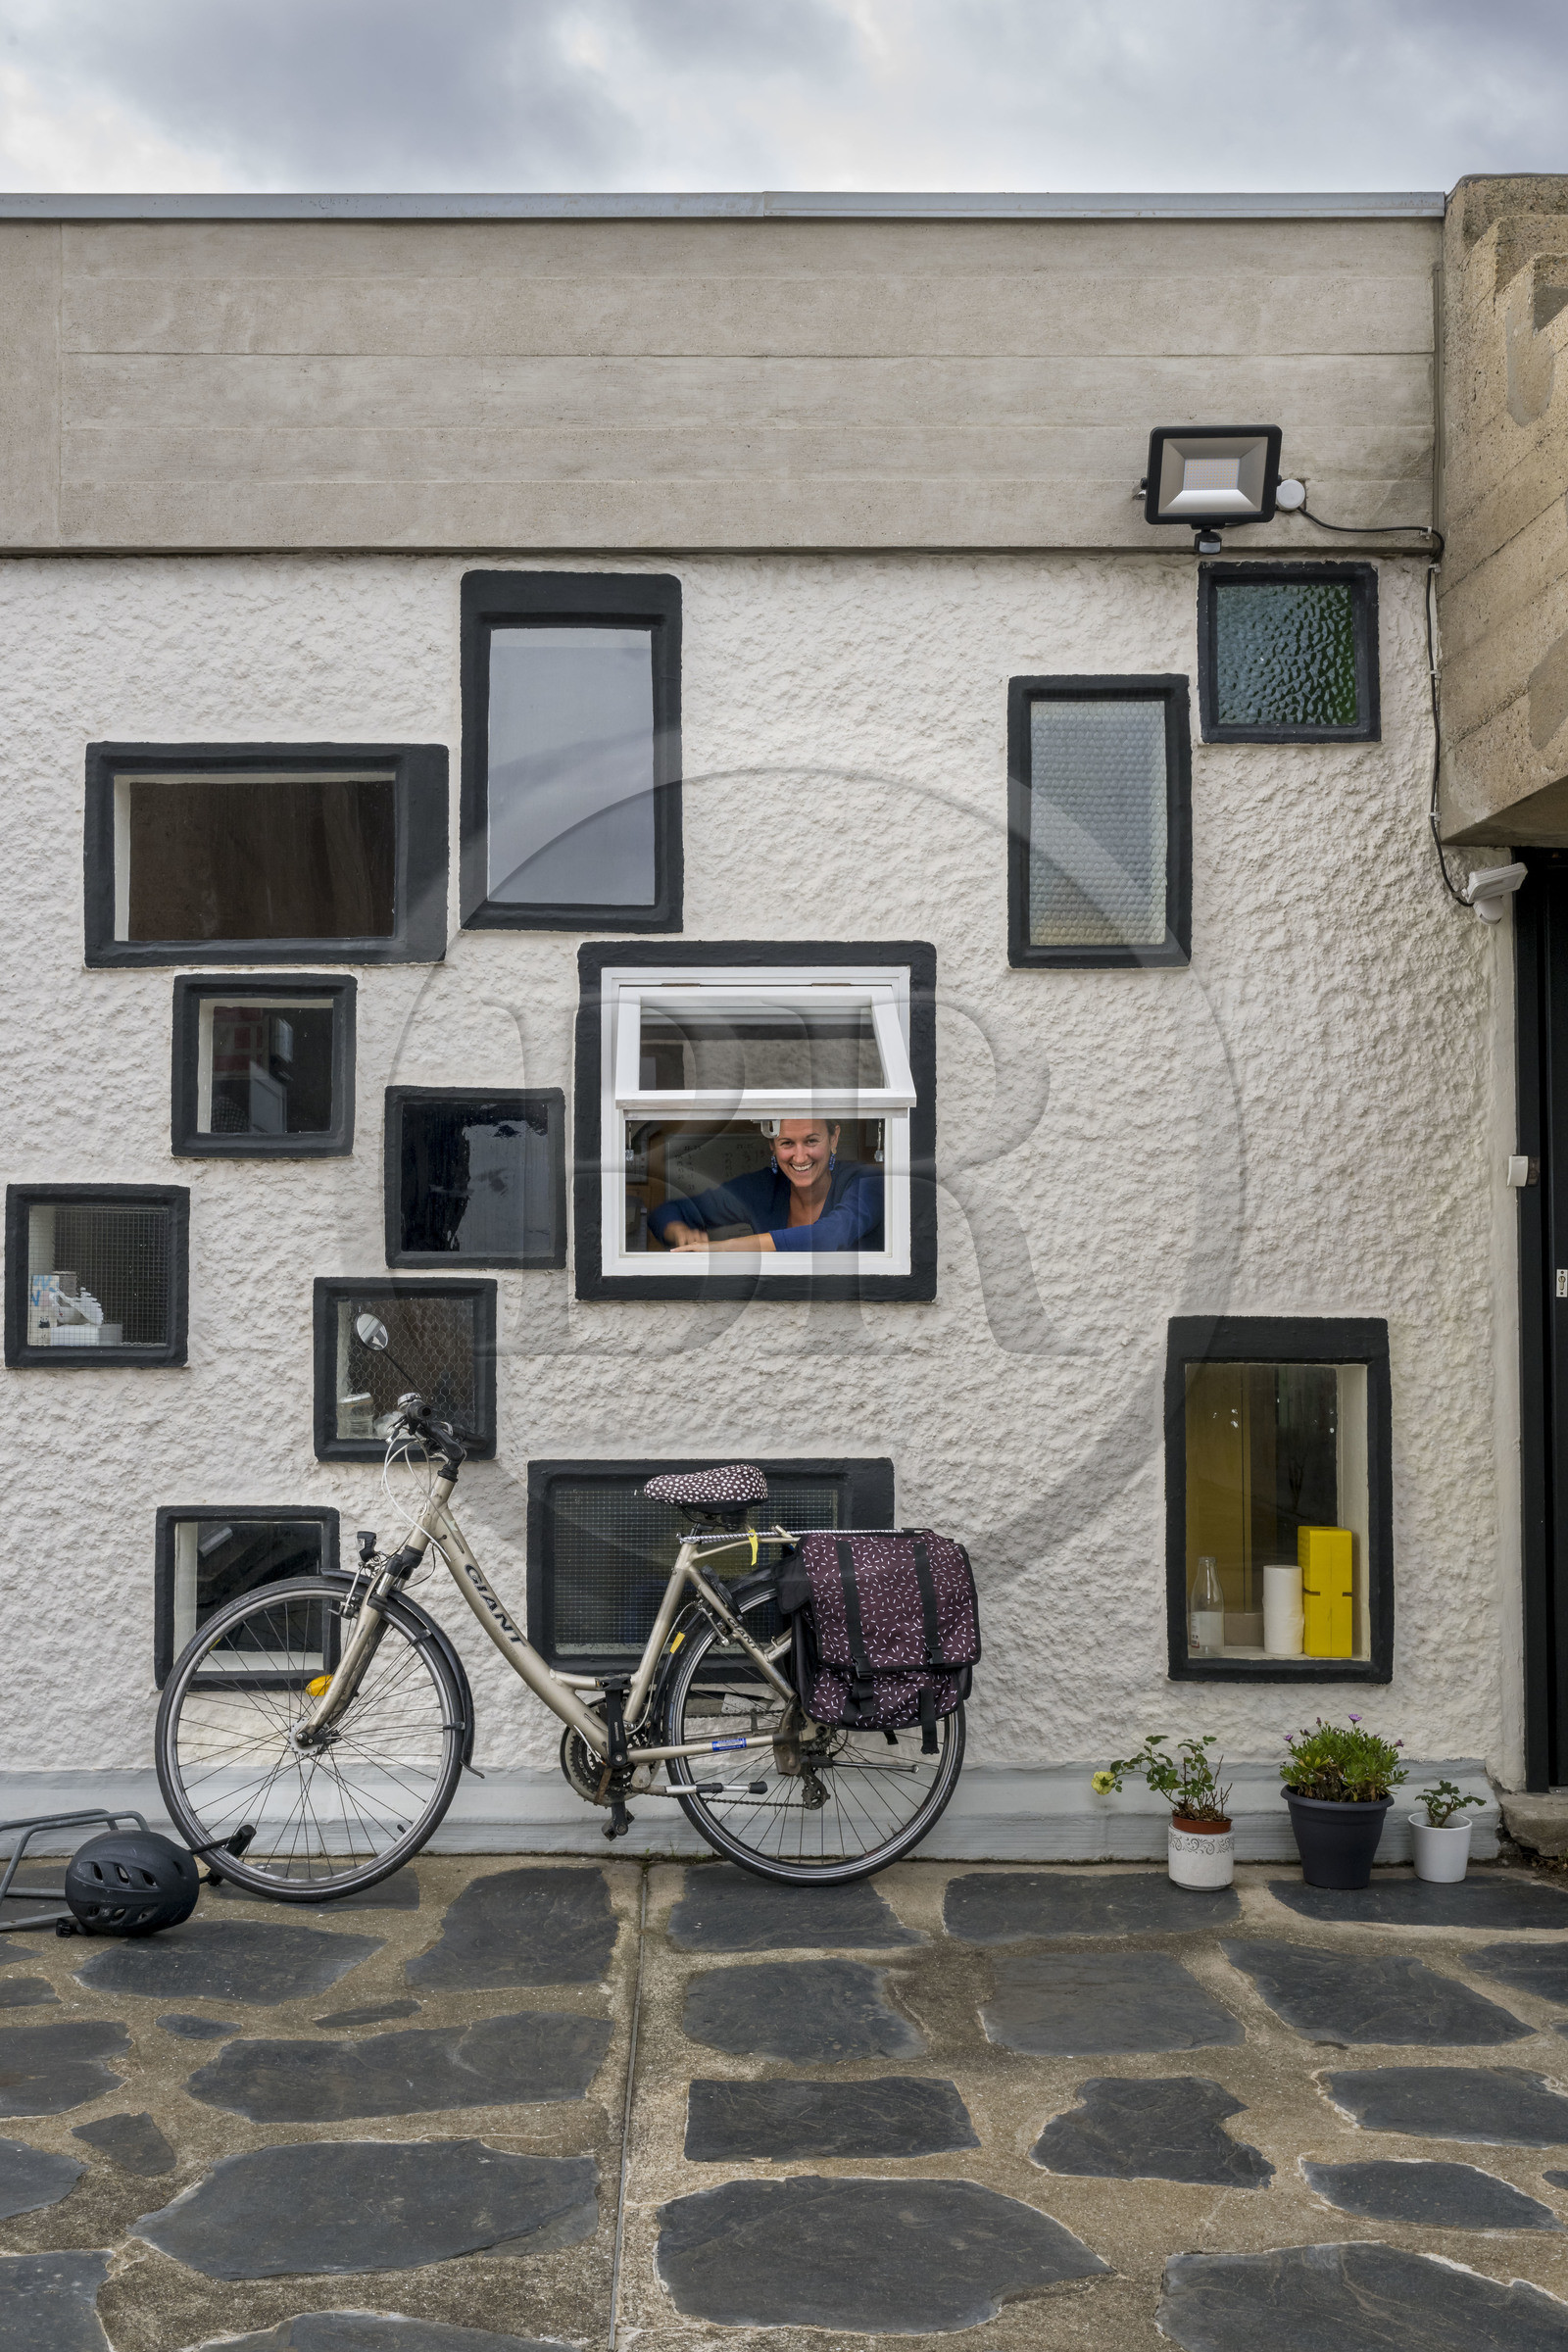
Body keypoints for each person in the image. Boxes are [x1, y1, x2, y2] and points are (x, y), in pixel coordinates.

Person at [649, 1117, 883, 1254]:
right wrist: (679, 1231)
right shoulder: (763, 1187)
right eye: (787, 1143)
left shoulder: (867, 1182)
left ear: (834, 1138)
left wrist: (721, 1250)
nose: (800, 1157)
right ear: (771, 1145)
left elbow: (829, 1237)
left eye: (812, 1141)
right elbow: (666, 1212)